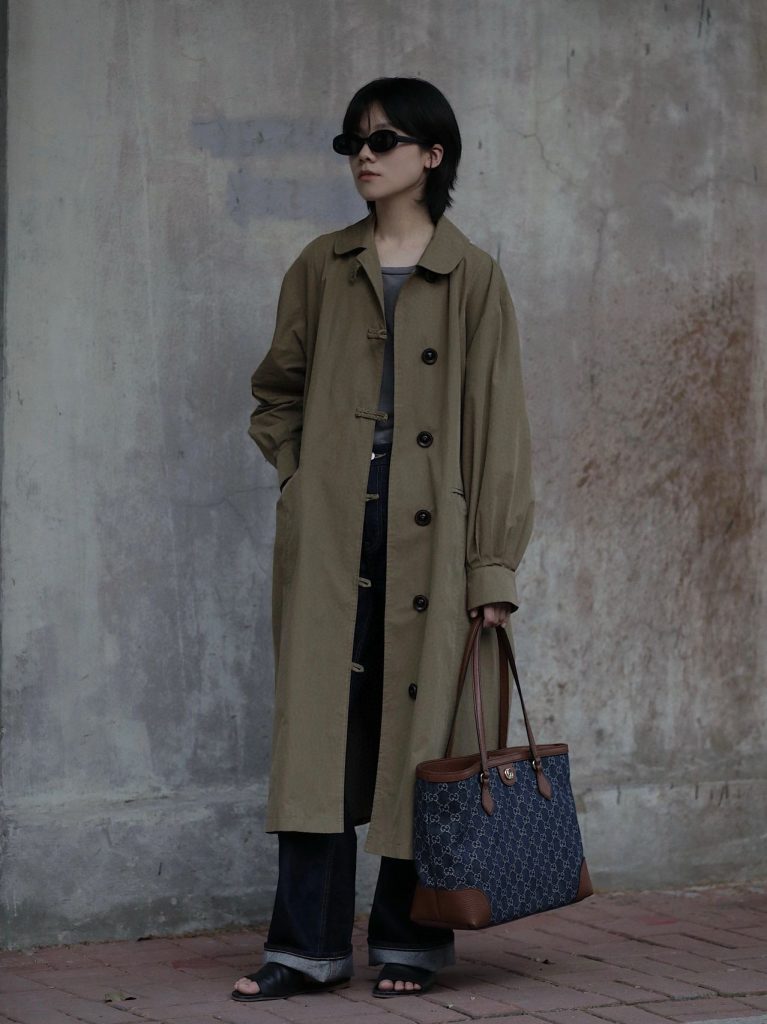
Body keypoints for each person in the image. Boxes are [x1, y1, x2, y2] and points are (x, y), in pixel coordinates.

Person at [232, 76, 534, 1002]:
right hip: (333, 528)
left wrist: (491, 566)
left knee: (422, 735)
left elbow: (499, 428)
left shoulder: (472, 276)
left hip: (433, 536)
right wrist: (303, 476)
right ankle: (306, 948)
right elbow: (275, 391)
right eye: (352, 142)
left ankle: (409, 943)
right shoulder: (319, 266)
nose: (363, 155)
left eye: (384, 140)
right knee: (317, 736)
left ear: (431, 156)